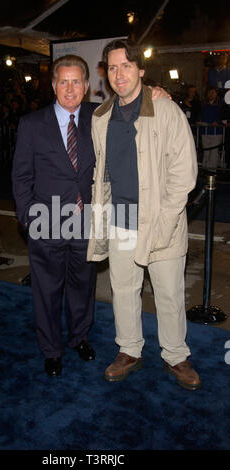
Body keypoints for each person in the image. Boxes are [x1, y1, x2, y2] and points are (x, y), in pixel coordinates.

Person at [12, 53, 168, 378]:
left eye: (76, 82)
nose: (70, 89)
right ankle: (51, 350)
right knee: (47, 291)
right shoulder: (31, 125)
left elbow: (133, 102)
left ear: (86, 86)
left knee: (83, 286)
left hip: (87, 222)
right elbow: (21, 176)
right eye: (63, 82)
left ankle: (79, 337)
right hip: (46, 221)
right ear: (54, 85)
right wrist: (27, 217)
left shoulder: (100, 117)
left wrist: (156, 91)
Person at [87, 39, 201, 391]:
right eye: (112, 68)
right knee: (123, 289)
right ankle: (130, 350)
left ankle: (175, 355)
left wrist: (165, 221)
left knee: (168, 293)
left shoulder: (165, 111)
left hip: (160, 222)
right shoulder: (100, 117)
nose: (119, 74)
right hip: (120, 220)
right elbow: (102, 172)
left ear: (140, 69)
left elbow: (184, 173)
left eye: (126, 66)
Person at [199, 86, 223, 169]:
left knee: (213, 152)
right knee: (206, 151)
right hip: (205, 131)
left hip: (216, 132)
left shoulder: (221, 105)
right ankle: (205, 168)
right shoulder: (203, 104)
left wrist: (218, 122)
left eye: (213, 93)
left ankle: (212, 171)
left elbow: (223, 117)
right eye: (209, 93)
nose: (211, 95)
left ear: (216, 94)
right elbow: (200, 116)